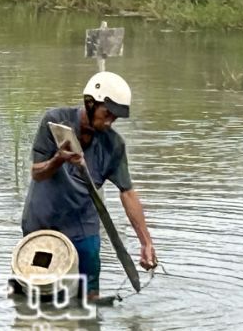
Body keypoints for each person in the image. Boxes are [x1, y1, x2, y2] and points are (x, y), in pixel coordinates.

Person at [20, 71, 157, 300]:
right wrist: (59, 159)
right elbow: (37, 173)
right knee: (42, 291)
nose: (110, 121)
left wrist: (146, 242)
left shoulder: (114, 145)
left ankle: (90, 329)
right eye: (107, 114)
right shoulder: (55, 122)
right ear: (90, 103)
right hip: (43, 220)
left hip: (82, 223)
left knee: (89, 294)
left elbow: (128, 193)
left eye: (115, 118)